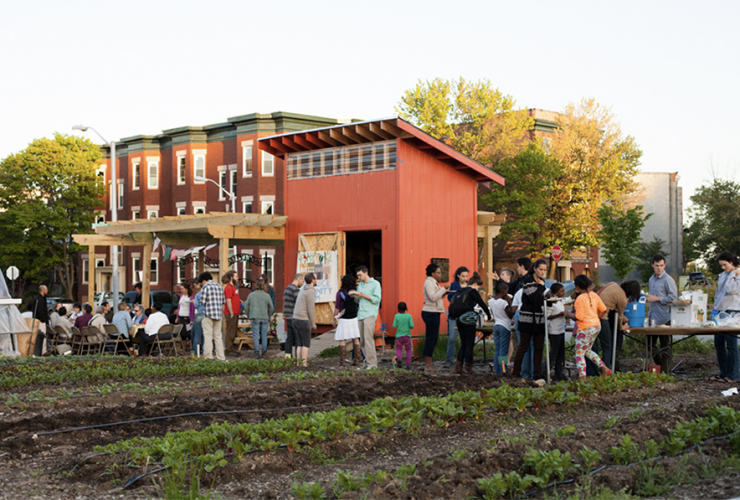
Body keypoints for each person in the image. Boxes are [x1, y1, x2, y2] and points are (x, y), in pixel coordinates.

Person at [568, 275, 611, 380]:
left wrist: (568, 314)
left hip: (585, 328)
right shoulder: (594, 295)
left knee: (579, 353)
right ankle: (605, 369)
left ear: (577, 287)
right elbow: (603, 309)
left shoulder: (580, 298)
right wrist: (596, 318)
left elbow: (579, 317)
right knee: (586, 350)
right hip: (596, 326)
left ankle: (582, 377)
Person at [513, 259, 549, 383]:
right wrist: (540, 287)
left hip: (539, 318)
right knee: (524, 346)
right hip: (526, 318)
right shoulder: (527, 280)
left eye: (545, 270)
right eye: (540, 269)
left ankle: (537, 374)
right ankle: (516, 371)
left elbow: (540, 299)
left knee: (539, 347)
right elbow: (533, 298)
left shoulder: (543, 282)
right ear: (534, 268)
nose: (542, 272)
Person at [451, 272, 491, 374]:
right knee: (469, 345)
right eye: (478, 286)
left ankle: (458, 368)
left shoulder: (460, 290)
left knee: (463, 344)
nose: (478, 289)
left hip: (459, 319)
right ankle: (468, 368)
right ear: (475, 284)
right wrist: (489, 316)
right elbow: (482, 304)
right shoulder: (472, 291)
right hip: (468, 320)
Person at [598, 280, 641, 372]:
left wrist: (624, 318)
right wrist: (621, 327)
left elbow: (614, 309)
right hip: (603, 317)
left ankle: (606, 369)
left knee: (603, 346)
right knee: (608, 346)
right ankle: (606, 371)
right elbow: (619, 315)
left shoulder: (614, 285)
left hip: (598, 314)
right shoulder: (623, 298)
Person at [646, 253, 678, 374]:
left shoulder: (668, 280)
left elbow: (674, 298)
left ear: (665, 265)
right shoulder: (651, 279)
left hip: (665, 317)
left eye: (661, 265)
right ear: (652, 265)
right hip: (653, 316)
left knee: (665, 346)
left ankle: (665, 372)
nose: (659, 268)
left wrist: (657, 298)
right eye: (656, 265)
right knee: (649, 344)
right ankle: (660, 365)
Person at [711, 251, 740, 382]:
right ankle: (723, 373)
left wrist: (733, 273)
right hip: (720, 312)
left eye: (725, 265)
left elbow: (730, 289)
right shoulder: (723, 275)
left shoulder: (737, 275)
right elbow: (719, 292)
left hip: (732, 312)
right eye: (721, 265)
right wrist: (714, 309)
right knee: (719, 344)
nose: (723, 268)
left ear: (731, 262)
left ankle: (733, 375)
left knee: (731, 345)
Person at [422, 263, 450, 371]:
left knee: (433, 338)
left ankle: (430, 363)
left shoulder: (434, 282)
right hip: (430, 312)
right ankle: (428, 364)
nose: (440, 275)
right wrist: (443, 289)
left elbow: (437, 296)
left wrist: (444, 292)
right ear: (432, 273)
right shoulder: (429, 282)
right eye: (438, 273)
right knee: (430, 338)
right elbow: (433, 297)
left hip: (435, 312)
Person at [355, 265, 382, 370]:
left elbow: (377, 299)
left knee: (368, 339)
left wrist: (363, 296)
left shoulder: (375, 284)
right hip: (361, 313)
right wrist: (355, 296)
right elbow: (359, 300)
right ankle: (366, 363)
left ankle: (372, 364)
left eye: (360, 275)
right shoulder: (360, 284)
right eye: (357, 275)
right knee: (362, 340)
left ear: (366, 273)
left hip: (370, 313)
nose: (359, 277)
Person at [332, 274, 361, 368]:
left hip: (343, 318)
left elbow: (337, 307)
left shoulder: (339, 293)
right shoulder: (355, 292)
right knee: (356, 339)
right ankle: (356, 360)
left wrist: (334, 319)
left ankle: (342, 362)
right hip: (354, 317)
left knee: (343, 340)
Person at [244, 278, 275, 359]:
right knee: (264, 336)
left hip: (254, 317)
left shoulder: (251, 295)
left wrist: (248, 314)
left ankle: (256, 352)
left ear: (256, 285)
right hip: (264, 317)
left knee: (256, 336)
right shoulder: (267, 295)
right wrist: (268, 314)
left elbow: (246, 305)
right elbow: (271, 307)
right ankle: (264, 352)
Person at [198, 272, 226, 361]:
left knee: (208, 336)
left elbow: (201, 301)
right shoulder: (219, 286)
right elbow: (223, 301)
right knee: (218, 336)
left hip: (208, 314)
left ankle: (208, 357)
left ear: (203, 280)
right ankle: (221, 357)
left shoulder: (205, 287)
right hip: (218, 314)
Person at [445, 266, 469, 367]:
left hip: (466, 315)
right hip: (454, 315)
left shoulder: (469, 285)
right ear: (458, 275)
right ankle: (449, 359)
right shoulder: (453, 285)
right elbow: (450, 297)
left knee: (464, 339)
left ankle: (462, 360)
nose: (465, 278)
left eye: (466, 276)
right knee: (452, 338)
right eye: (463, 276)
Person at [489, 281, 514, 375]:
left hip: (496, 325)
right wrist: (509, 302)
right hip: (505, 326)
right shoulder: (503, 302)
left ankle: (497, 370)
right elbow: (510, 314)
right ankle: (503, 370)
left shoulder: (491, 301)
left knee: (497, 350)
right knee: (503, 351)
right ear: (504, 291)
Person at [293, 272, 317, 367]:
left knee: (299, 343)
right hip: (303, 319)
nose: (316, 280)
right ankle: (304, 364)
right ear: (312, 280)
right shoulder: (311, 291)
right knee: (306, 343)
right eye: (315, 278)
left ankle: (298, 363)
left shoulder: (302, 290)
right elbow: (310, 309)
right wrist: (313, 323)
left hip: (295, 318)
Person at [546, 283, 567, 382]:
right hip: (554, 331)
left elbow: (569, 299)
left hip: (561, 330)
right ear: (555, 292)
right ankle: (546, 372)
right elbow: (547, 316)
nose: (564, 293)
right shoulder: (551, 302)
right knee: (553, 353)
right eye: (561, 291)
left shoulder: (560, 301)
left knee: (560, 354)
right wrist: (559, 314)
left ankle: (559, 374)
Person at [283, 273, 305, 359]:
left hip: (288, 317)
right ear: (298, 279)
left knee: (289, 339)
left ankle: (287, 357)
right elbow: (299, 304)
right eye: (302, 281)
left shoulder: (287, 288)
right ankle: (297, 358)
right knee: (297, 340)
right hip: (295, 317)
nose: (302, 284)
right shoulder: (296, 290)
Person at [222, 271, 240, 356]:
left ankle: (231, 348)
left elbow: (233, 298)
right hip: (231, 313)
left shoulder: (234, 287)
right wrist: (231, 312)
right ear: (231, 278)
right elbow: (228, 301)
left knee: (234, 332)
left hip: (236, 312)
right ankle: (228, 349)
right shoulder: (229, 288)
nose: (237, 278)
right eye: (236, 276)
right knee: (230, 332)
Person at [393, 302, 414, 370]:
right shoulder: (409, 316)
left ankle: (399, 358)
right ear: (406, 308)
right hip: (407, 335)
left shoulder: (396, 316)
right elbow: (412, 326)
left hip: (399, 336)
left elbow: (394, 326)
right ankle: (408, 364)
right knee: (408, 350)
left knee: (399, 349)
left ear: (398, 308)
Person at [30, 285, 50, 356]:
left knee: (40, 335)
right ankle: (43, 351)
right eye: (46, 289)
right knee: (42, 335)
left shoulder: (38, 298)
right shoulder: (40, 299)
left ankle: (41, 350)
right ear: (42, 290)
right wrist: (44, 319)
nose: (47, 291)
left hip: (38, 319)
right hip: (41, 320)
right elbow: (41, 311)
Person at [176, 283, 195, 352]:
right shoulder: (181, 296)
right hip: (181, 316)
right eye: (180, 289)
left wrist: (191, 319)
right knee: (182, 334)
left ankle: (191, 348)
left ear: (186, 289)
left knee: (188, 333)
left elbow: (192, 309)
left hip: (187, 317)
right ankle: (183, 349)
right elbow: (179, 307)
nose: (181, 290)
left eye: (182, 289)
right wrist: (177, 316)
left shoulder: (191, 298)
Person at [190, 283, 204, 357]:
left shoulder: (198, 294)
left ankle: (196, 350)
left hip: (199, 314)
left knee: (197, 333)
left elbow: (196, 305)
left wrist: (193, 301)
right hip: (206, 314)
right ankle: (204, 349)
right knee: (205, 333)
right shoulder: (207, 293)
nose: (194, 286)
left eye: (195, 285)